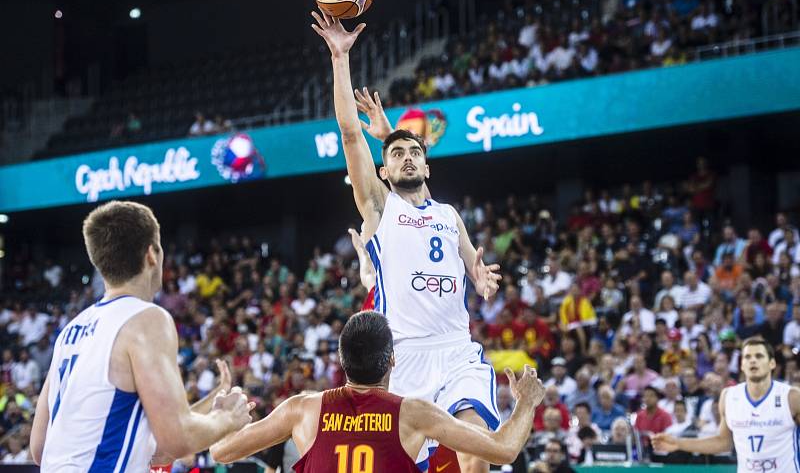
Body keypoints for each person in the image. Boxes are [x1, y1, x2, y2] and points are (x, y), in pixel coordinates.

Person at [311, 10, 503, 472]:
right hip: (405, 356)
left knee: (478, 447)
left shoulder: (448, 213)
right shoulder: (380, 208)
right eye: (397, 154)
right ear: (384, 172)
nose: (408, 157)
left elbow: (469, 262)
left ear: (427, 165)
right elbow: (349, 132)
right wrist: (340, 58)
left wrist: (478, 276)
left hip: (456, 347)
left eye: (415, 151)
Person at [29, 201, 253, 472]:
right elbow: (178, 437)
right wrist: (227, 418)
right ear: (151, 254)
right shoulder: (147, 319)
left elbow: (40, 447)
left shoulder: (70, 331)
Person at [210, 311, 546, 471]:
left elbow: (221, 452)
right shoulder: (412, 413)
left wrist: (226, 417)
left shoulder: (302, 409)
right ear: (393, 361)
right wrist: (526, 403)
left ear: (342, 362)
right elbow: (504, 450)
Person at [653, 337, 800, 473]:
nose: (753, 361)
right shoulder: (729, 396)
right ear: (742, 365)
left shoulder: (791, 397)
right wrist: (679, 443)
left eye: (759, 356)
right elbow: (723, 442)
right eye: (747, 357)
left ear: (772, 363)